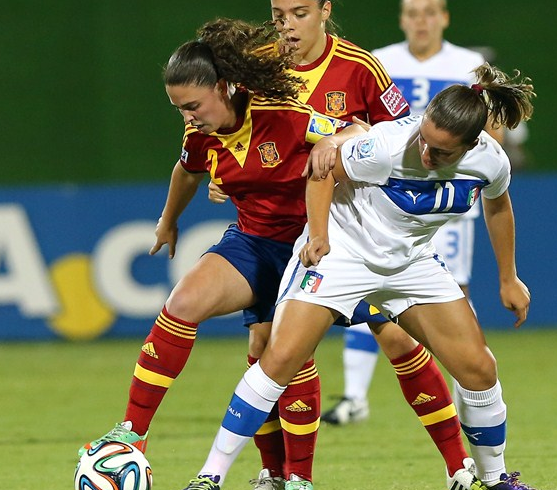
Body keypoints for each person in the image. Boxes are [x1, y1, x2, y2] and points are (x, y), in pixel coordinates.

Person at [181, 63, 535, 490]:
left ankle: (494, 480)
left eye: (440, 152)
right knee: (278, 361)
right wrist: (318, 234)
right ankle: (209, 477)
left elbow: (498, 207)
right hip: (343, 256)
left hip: (410, 265)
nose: (425, 154)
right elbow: (321, 170)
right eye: (424, 138)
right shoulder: (386, 146)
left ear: (471, 144)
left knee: (479, 369)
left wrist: (508, 278)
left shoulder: (490, 161)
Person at [79, 17, 360, 490]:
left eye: (192, 105)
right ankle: (131, 435)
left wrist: (335, 140)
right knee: (184, 302)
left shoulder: (285, 113)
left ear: (224, 88)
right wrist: (168, 221)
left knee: (279, 355)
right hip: (252, 242)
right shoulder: (200, 133)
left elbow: (358, 132)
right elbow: (186, 170)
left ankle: (298, 478)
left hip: (308, 249)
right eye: (178, 108)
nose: (187, 116)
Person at [210, 2, 480, 488]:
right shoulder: (258, 66)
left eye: (298, 12)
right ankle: (279, 474)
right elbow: (231, 133)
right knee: (269, 346)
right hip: (276, 229)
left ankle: (458, 465)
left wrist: (355, 131)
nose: (286, 23)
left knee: (397, 338)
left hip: (349, 231)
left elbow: (403, 133)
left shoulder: (360, 66)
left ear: (323, 10)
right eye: (278, 12)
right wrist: (225, 172)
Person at [321, 0, 490, 428]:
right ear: (402, 19)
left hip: (445, 206)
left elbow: (491, 132)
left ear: (445, 17)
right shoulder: (381, 60)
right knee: (368, 289)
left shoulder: (470, 64)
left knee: (454, 302)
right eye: (413, 13)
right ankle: (355, 397)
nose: (421, 21)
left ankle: (464, 398)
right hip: (390, 200)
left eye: (430, 12)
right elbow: (359, 123)